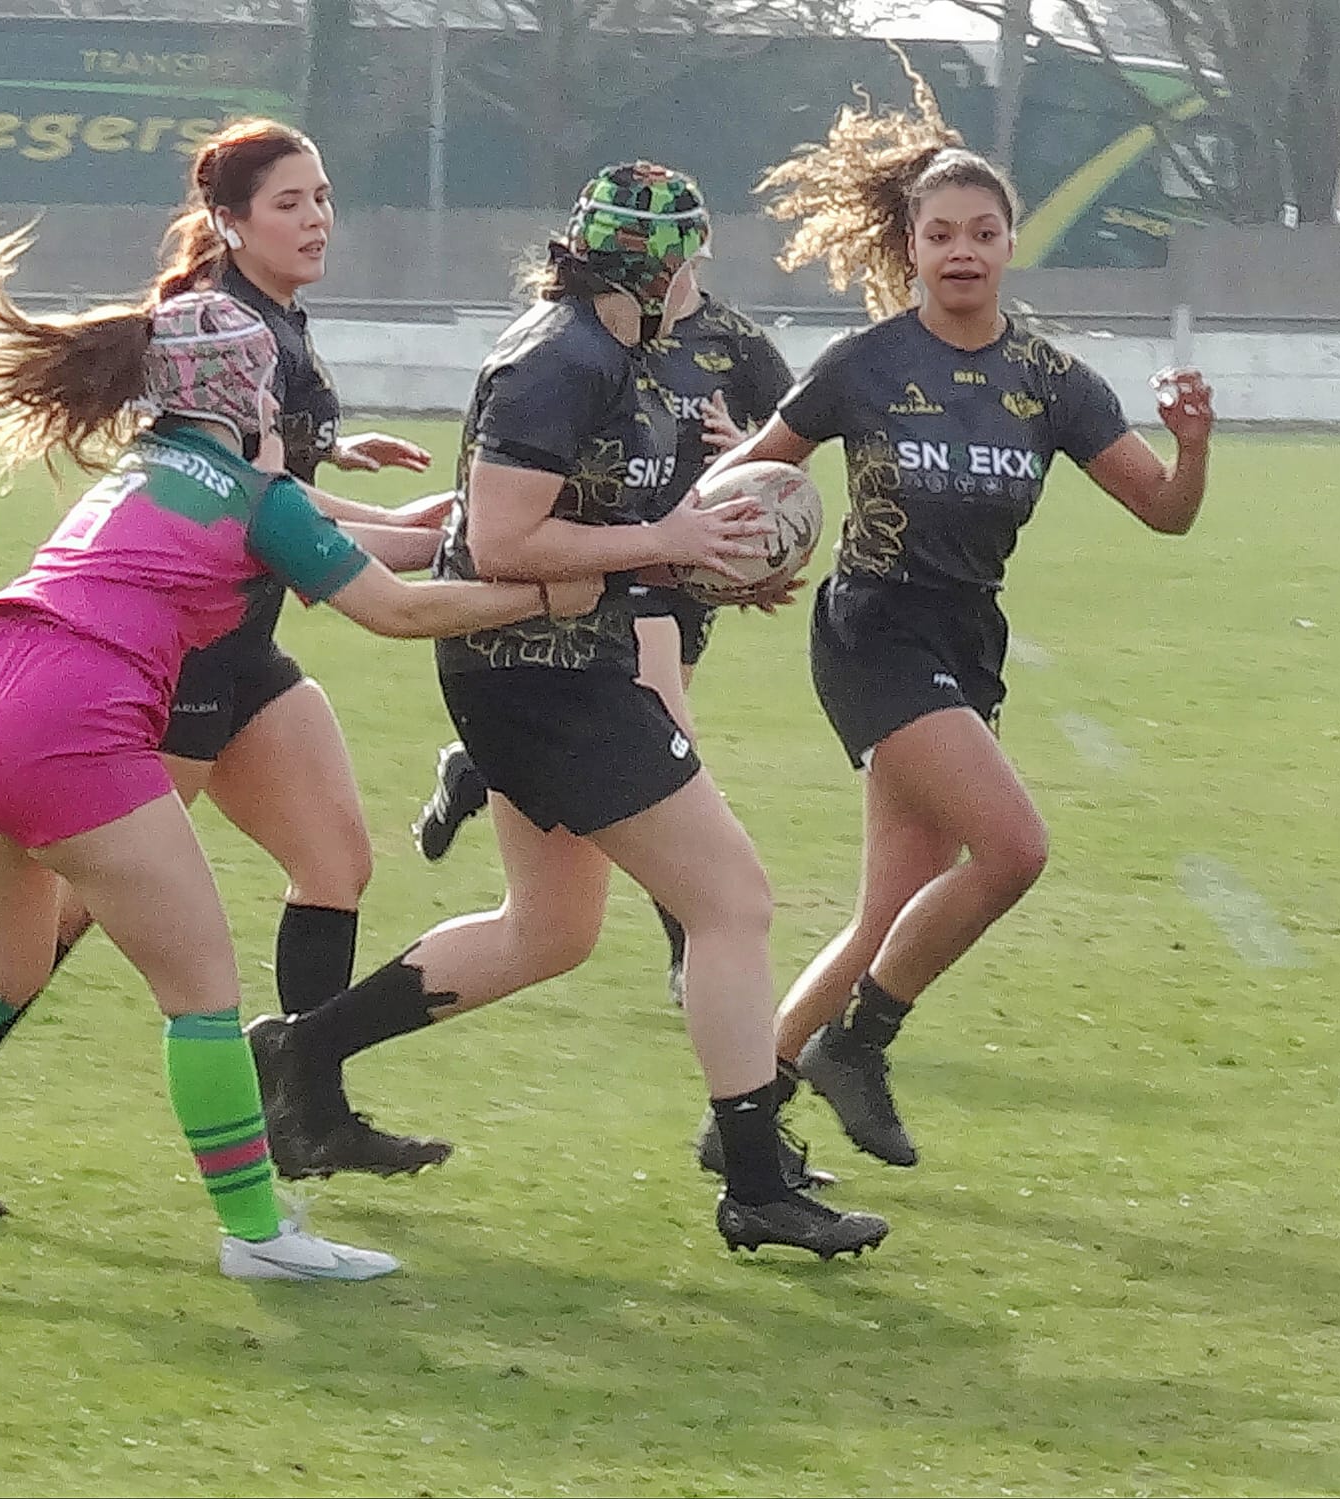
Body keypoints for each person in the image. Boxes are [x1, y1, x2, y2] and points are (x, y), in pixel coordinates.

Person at [0, 248, 597, 1280]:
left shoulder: (147, 466)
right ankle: (259, 1236)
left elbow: (384, 544)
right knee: (201, 994)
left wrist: (519, 539)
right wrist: (547, 594)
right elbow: (395, 609)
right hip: (64, 711)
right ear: (249, 395)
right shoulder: (259, 496)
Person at [257, 161, 892, 1259]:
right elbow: (503, 540)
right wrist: (670, 541)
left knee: (549, 931)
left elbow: (601, 522)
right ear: (651, 266)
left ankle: (304, 1049)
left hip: (552, 666)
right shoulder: (561, 357)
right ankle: (754, 1181)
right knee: (731, 902)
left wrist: (705, 560)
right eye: (686, 260)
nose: (694, 279)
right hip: (543, 675)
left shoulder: (608, 349)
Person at [0, 118, 448, 1220]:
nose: (317, 218)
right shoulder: (225, 318)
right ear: (229, 221)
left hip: (246, 651)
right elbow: (218, 479)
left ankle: (308, 1108)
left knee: (334, 859)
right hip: (178, 663)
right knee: (83, 909)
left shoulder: (272, 317)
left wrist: (338, 454)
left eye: (323, 197)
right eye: (289, 202)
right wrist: (400, 527)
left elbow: (259, 473)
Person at [691, 70, 1216, 1172]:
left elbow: (1165, 512)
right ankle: (857, 1046)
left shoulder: (1052, 381)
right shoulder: (867, 363)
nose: (962, 250)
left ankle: (740, 1124)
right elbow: (748, 478)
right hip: (874, 628)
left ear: (1011, 244)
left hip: (965, 638)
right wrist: (722, 536)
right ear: (912, 247)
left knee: (889, 908)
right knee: (1014, 848)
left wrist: (1193, 445)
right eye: (941, 234)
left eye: (983, 232)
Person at [408, 255, 798, 1014]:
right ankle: (694, 946)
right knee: (671, 762)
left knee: (566, 904)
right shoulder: (594, 343)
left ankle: (478, 768)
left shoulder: (736, 341)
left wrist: (743, 452)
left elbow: (784, 451)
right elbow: (523, 491)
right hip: (615, 577)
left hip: (682, 575)